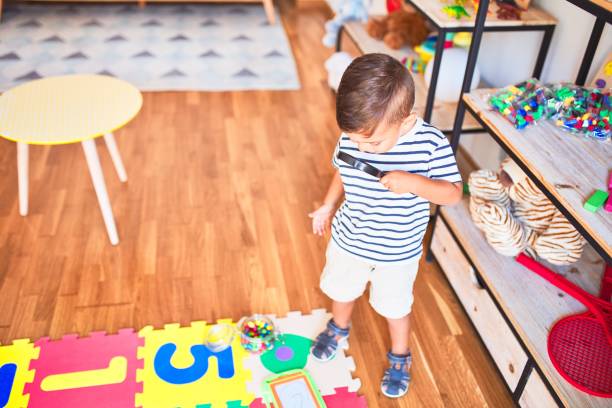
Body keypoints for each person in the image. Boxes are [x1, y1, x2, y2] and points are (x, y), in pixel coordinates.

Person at [308, 53, 463, 398]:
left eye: (372, 143)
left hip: (397, 251)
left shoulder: (430, 144)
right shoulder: (356, 135)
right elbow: (343, 169)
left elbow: (453, 194)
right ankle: (339, 328)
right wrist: (327, 205)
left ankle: (400, 355)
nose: (362, 147)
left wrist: (414, 183)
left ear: (406, 120)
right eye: (355, 139)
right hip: (349, 240)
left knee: (394, 307)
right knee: (341, 290)